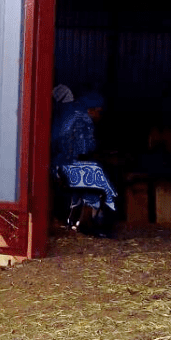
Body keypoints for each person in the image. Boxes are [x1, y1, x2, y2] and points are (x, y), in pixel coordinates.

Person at [50, 88, 116, 233]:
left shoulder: (67, 113)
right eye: (99, 112)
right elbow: (84, 150)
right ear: (91, 109)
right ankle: (89, 223)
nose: (99, 116)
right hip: (63, 167)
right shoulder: (83, 120)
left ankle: (75, 221)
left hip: (54, 165)